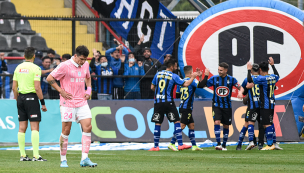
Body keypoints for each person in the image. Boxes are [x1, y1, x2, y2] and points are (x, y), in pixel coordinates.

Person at [46, 45, 97, 167]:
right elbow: (49, 78)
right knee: (66, 130)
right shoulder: (65, 65)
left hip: (81, 102)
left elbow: (88, 78)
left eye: (85, 59)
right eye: (81, 59)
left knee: (88, 127)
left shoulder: (85, 65)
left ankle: (84, 158)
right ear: (75, 56)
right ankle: (63, 160)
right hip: (67, 102)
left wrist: (88, 91)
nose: (83, 62)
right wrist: (60, 90)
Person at [149, 59, 198, 151]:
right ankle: (180, 144)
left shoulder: (158, 74)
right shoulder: (173, 76)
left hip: (158, 102)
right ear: (171, 66)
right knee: (177, 122)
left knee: (158, 122)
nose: (176, 68)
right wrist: (193, 77)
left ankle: (156, 146)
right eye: (175, 66)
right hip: (168, 102)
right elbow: (186, 84)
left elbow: (152, 87)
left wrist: (159, 93)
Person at [12, 47, 47, 161]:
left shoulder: (18, 67)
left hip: (20, 98)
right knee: (34, 127)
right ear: (33, 56)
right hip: (31, 98)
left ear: (24, 56)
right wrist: (42, 103)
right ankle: (36, 156)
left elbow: (14, 87)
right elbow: (37, 87)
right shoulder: (36, 68)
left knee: (22, 128)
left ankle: (23, 155)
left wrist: (17, 99)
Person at [169, 66, 210, 151]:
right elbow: (202, 85)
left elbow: (177, 95)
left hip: (182, 106)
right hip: (186, 107)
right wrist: (206, 76)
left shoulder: (181, 81)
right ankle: (172, 143)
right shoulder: (192, 81)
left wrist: (199, 77)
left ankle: (194, 146)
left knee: (191, 125)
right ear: (191, 72)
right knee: (182, 126)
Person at [247, 57, 282, 150]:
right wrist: (273, 65)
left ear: (260, 70)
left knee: (266, 124)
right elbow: (277, 75)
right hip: (272, 103)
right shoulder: (273, 77)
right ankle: (274, 143)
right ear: (269, 69)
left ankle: (270, 145)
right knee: (270, 122)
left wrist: (248, 70)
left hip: (265, 104)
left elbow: (250, 80)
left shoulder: (261, 78)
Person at [207, 62, 241, 151]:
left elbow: (240, 87)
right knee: (217, 122)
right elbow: (204, 84)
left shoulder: (232, 79)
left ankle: (224, 144)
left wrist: (240, 92)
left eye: (221, 70)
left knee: (226, 125)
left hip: (227, 106)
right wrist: (201, 77)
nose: (219, 71)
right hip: (216, 105)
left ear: (226, 70)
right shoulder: (214, 78)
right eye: (218, 70)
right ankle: (218, 143)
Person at [236, 63, 265, 150]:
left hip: (252, 106)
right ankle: (261, 144)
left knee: (248, 123)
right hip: (263, 105)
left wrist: (243, 92)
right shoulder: (263, 79)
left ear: (251, 71)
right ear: (259, 70)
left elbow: (244, 92)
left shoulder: (247, 79)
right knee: (263, 125)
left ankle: (243, 143)